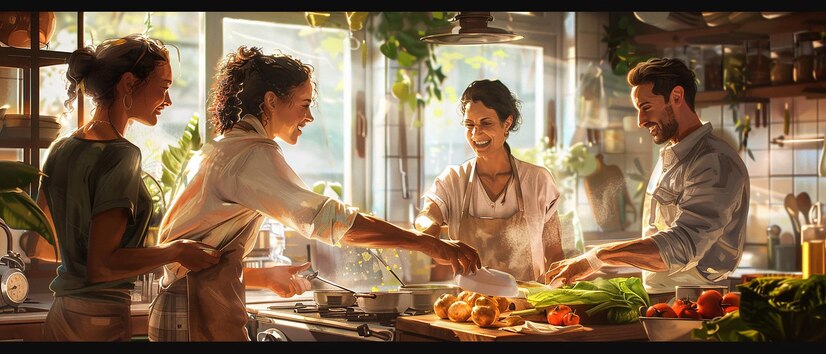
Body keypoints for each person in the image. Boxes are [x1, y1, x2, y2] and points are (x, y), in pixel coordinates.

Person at [147, 46, 482, 342]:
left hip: (185, 306)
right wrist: (428, 243)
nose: (308, 117)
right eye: (304, 104)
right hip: (193, 313)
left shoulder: (225, 147)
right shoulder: (252, 153)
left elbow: (198, 255)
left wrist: (263, 275)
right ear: (271, 101)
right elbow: (329, 220)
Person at [35, 34, 221, 341]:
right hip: (99, 321)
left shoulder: (61, 148)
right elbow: (103, 265)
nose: (168, 100)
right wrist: (175, 251)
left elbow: (38, 246)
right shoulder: (121, 154)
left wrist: (84, 254)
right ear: (129, 83)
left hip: (60, 315)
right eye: (163, 87)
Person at [543, 58, 750, 304]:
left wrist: (598, 256)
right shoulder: (672, 156)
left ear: (676, 96)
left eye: (646, 107)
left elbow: (683, 246)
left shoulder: (713, 161)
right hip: (665, 302)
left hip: (699, 306)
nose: (641, 121)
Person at [413, 79, 571, 283]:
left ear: (507, 123)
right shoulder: (453, 180)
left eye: (486, 123)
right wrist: (425, 227)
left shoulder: (537, 181)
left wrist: (556, 300)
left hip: (525, 307)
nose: (476, 133)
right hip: (469, 308)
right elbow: (427, 217)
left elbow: (555, 255)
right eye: (469, 125)